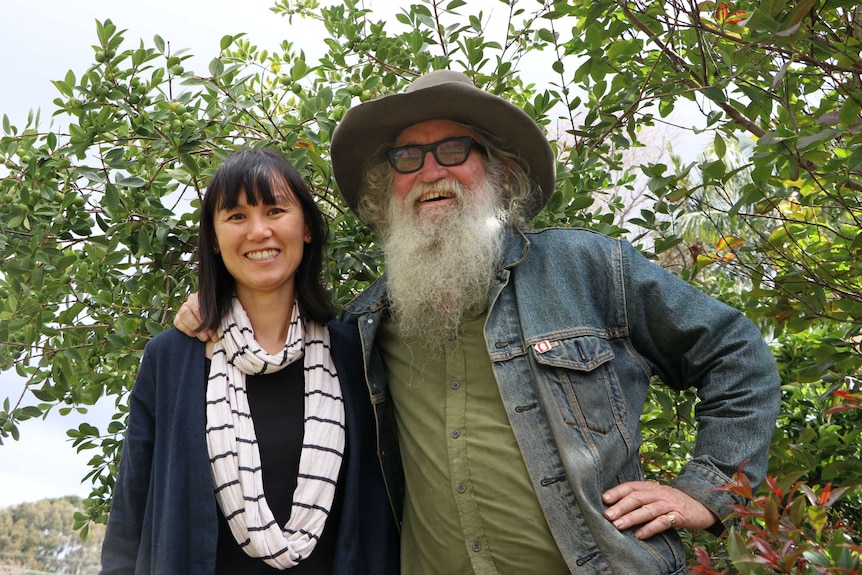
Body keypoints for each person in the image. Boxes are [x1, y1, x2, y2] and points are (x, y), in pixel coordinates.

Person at [177, 71, 781, 574]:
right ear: (389, 187)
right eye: (406, 158)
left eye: (454, 150)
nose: (430, 172)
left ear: (498, 171)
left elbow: (735, 352)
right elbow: (279, 351)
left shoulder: (586, 267)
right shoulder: (362, 325)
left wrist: (707, 489)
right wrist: (215, 307)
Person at [101, 149, 398, 575]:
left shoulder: (355, 352)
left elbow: (385, 504)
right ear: (215, 240)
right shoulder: (171, 360)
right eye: (237, 216)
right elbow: (129, 516)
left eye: (275, 210)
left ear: (308, 228)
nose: (259, 231)